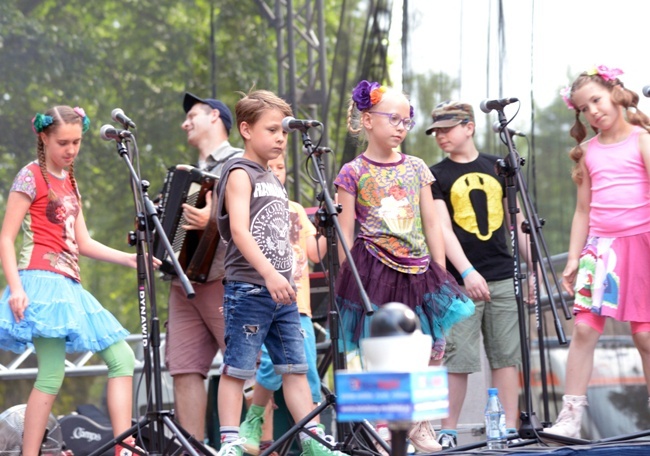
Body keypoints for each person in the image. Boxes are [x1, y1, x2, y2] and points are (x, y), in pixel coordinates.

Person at [333, 80, 475, 453]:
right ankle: (385, 425)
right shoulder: (353, 172)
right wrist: (349, 282)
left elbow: (432, 224)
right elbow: (344, 234)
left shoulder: (416, 168)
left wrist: (440, 272)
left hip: (419, 270)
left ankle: (420, 420)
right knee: (382, 350)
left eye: (406, 121)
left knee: (431, 346)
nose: (400, 126)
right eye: (393, 118)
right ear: (367, 120)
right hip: (373, 271)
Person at [0, 106, 148, 456]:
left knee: (122, 359)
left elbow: (83, 243)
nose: (71, 149)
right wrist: (16, 288)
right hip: (39, 281)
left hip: (68, 284)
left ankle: (123, 447)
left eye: (77, 142)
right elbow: (6, 238)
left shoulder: (70, 181)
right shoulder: (30, 176)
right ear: (44, 138)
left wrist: (127, 257)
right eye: (63, 142)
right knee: (51, 376)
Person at [214, 89, 345, 456]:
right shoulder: (240, 172)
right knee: (238, 367)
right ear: (245, 129)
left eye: (283, 132)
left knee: (295, 368)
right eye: (271, 129)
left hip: (283, 293)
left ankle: (313, 441)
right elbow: (239, 231)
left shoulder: (272, 178)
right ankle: (230, 441)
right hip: (252, 288)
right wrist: (271, 274)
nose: (279, 138)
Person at [544, 65, 650, 438]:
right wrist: (574, 257)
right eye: (583, 108)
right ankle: (570, 416)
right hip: (601, 250)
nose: (592, 111)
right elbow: (583, 211)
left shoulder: (642, 140)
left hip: (642, 244)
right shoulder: (588, 151)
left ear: (616, 93)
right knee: (585, 331)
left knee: (645, 336)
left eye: (596, 100)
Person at [427, 101, 529, 448]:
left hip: (502, 273)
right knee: (458, 357)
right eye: (437, 131)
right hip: (460, 282)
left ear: (469, 127)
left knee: (506, 355)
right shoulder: (435, 175)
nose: (441, 136)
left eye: (448, 128)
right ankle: (449, 430)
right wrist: (467, 272)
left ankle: (509, 428)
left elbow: (516, 223)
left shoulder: (498, 166)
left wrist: (532, 271)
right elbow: (442, 228)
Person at [164, 92, 243, 443]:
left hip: (226, 279)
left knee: (245, 365)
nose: (184, 123)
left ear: (215, 116)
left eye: (192, 115)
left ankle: (250, 445)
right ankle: (192, 449)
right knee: (183, 369)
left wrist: (213, 220)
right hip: (183, 284)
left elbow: (256, 219)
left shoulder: (241, 163)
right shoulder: (187, 174)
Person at [238, 151, 327, 455]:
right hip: (263, 301)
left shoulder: (296, 210)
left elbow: (316, 253)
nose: (276, 172)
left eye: (281, 167)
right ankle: (254, 419)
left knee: (306, 369)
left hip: (297, 304)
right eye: (270, 167)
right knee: (270, 370)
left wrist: (333, 220)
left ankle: (315, 436)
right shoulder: (250, 207)